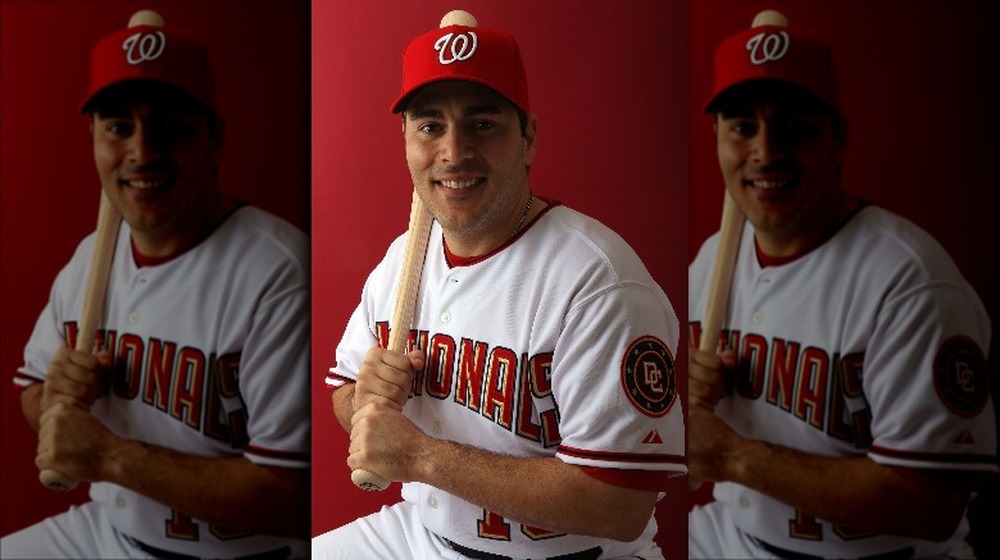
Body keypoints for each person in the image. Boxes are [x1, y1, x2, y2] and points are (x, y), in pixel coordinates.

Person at [312, 10, 685, 560]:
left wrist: (418, 457)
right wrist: (365, 401)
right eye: (430, 126)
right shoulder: (401, 263)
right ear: (407, 139)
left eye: (482, 124)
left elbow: (621, 506)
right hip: (422, 538)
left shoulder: (597, 281)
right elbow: (345, 397)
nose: (454, 152)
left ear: (528, 137)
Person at [687, 10, 996, 559]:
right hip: (732, 538)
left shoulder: (910, 283)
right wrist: (680, 401)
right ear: (716, 137)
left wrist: (730, 456)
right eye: (742, 126)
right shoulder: (713, 262)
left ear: (839, 139)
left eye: (793, 127)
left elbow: (932, 504)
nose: (765, 151)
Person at [0, 10, 310, 559]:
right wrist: (56, 399)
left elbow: (289, 495)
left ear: (215, 138)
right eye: (119, 127)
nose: (142, 153)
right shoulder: (90, 258)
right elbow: (30, 393)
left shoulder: (277, 269)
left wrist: (107, 457)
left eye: (170, 128)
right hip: (103, 533)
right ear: (94, 140)